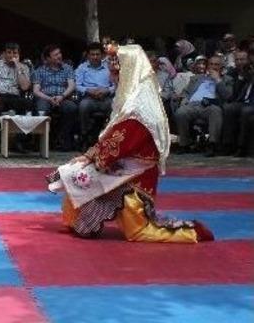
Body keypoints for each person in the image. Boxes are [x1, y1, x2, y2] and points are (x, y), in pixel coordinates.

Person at [47, 45, 213, 244]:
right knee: (74, 172)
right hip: (120, 165)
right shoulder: (131, 98)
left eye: (118, 70)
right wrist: (91, 156)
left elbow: (120, 141)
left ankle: (192, 233)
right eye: (113, 70)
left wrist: (92, 157)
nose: (114, 74)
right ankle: (81, 222)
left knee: (138, 232)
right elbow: (113, 137)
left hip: (135, 176)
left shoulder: (139, 106)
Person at [174, 55, 232, 157]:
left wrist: (218, 80)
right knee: (180, 112)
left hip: (211, 105)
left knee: (215, 111)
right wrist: (184, 100)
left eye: (216, 64)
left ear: (222, 67)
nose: (213, 67)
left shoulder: (227, 79)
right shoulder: (197, 78)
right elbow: (186, 92)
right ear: (207, 66)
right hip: (192, 104)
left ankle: (212, 144)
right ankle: (185, 144)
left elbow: (228, 96)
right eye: (211, 64)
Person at [0, 42, 31, 151]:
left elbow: (24, 87)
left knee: (28, 105)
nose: (12, 55)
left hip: (14, 96)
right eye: (9, 52)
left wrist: (18, 66)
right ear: (4, 53)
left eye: (15, 53)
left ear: (19, 54)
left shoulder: (23, 67)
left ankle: (19, 142)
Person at [32, 45, 77, 150]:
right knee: (41, 109)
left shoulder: (67, 68)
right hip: (45, 98)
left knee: (71, 108)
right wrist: (49, 99)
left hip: (63, 97)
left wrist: (62, 96)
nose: (59, 56)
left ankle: (63, 139)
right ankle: (42, 142)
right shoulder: (40, 70)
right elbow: (36, 91)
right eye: (56, 55)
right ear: (48, 58)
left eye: (59, 53)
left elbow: (72, 86)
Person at [75, 42, 115, 147]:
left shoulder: (109, 68)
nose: (95, 57)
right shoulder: (81, 68)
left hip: (106, 98)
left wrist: (107, 90)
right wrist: (88, 90)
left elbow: (116, 85)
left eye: (97, 54)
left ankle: (111, 137)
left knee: (115, 107)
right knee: (83, 106)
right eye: (92, 54)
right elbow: (77, 85)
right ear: (88, 55)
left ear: (102, 55)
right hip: (89, 98)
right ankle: (85, 137)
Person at [220, 50, 253, 157]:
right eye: (237, 60)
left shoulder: (251, 70)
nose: (239, 62)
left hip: (252, 103)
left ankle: (241, 147)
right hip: (243, 102)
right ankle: (227, 145)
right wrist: (241, 77)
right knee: (229, 108)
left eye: (242, 59)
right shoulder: (234, 73)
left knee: (245, 111)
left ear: (248, 60)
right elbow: (234, 94)